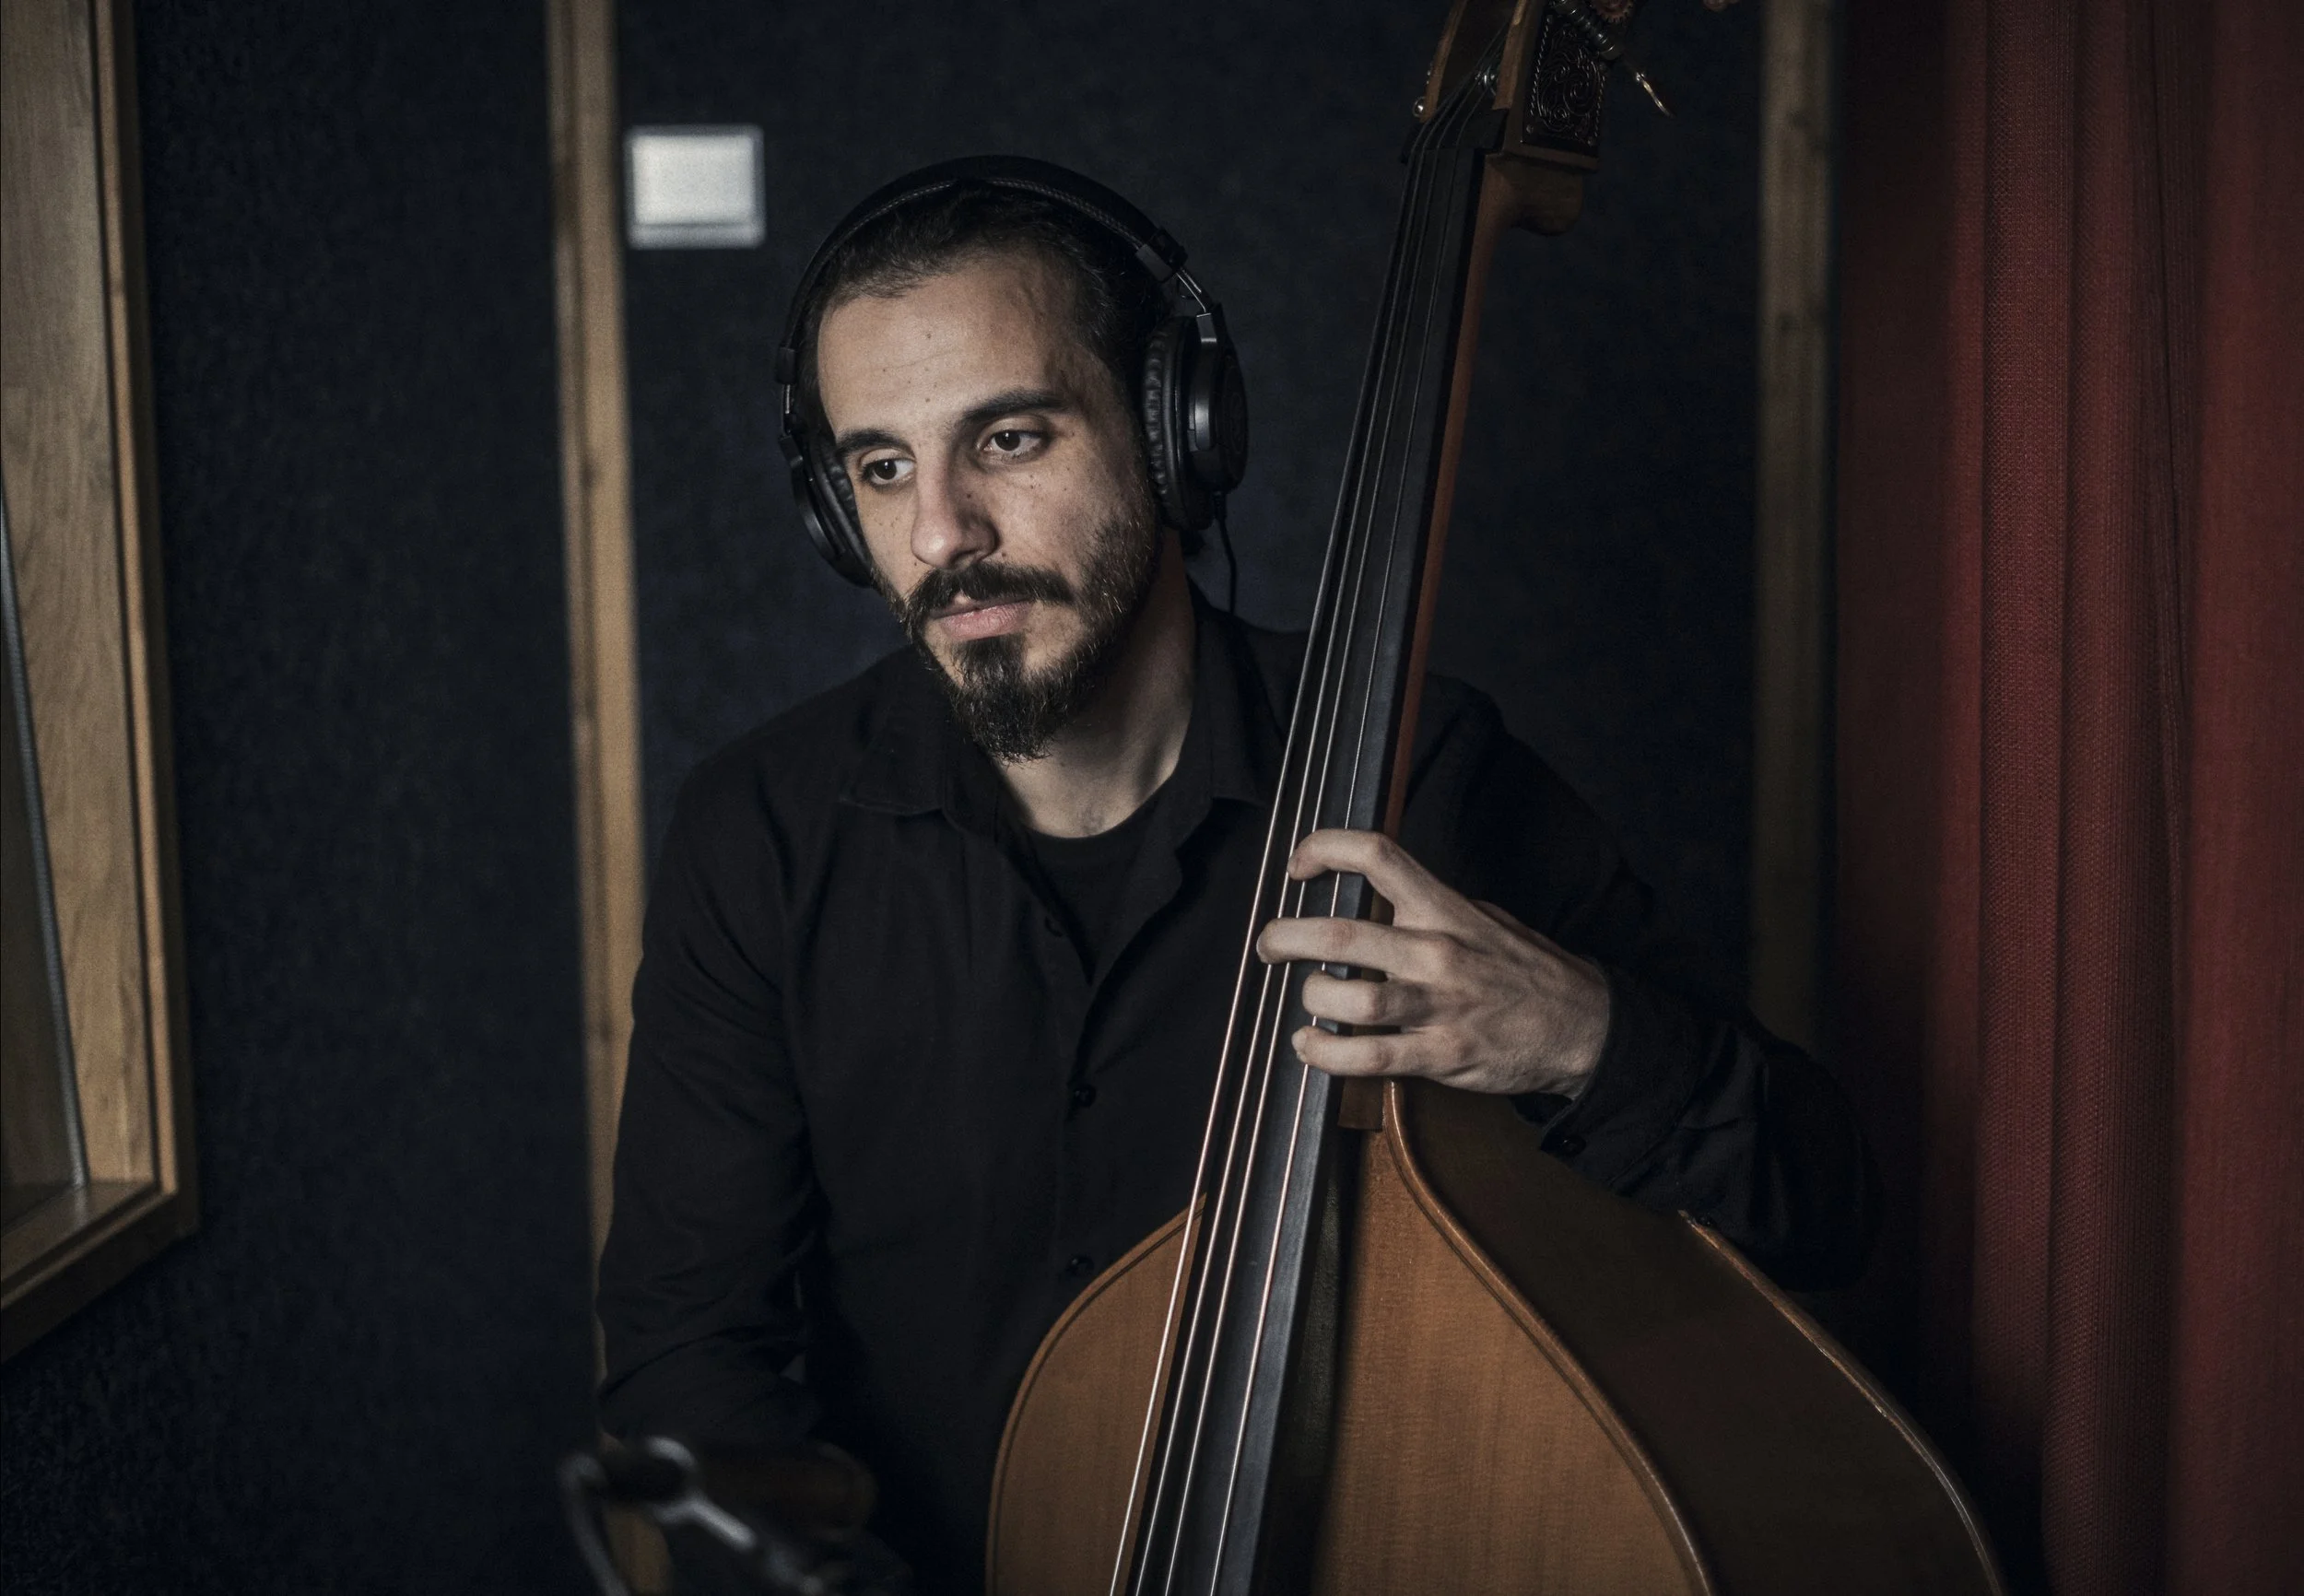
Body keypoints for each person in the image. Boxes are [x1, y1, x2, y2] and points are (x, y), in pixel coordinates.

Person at [596, 161, 1877, 1594]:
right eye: (881, 467)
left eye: (1008, 438)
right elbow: (685, 1353)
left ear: (1174, 431)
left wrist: (1581, 1036)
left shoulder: (1421, 778)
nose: (940, 533)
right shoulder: (761, 835)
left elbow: (1820, 1207)